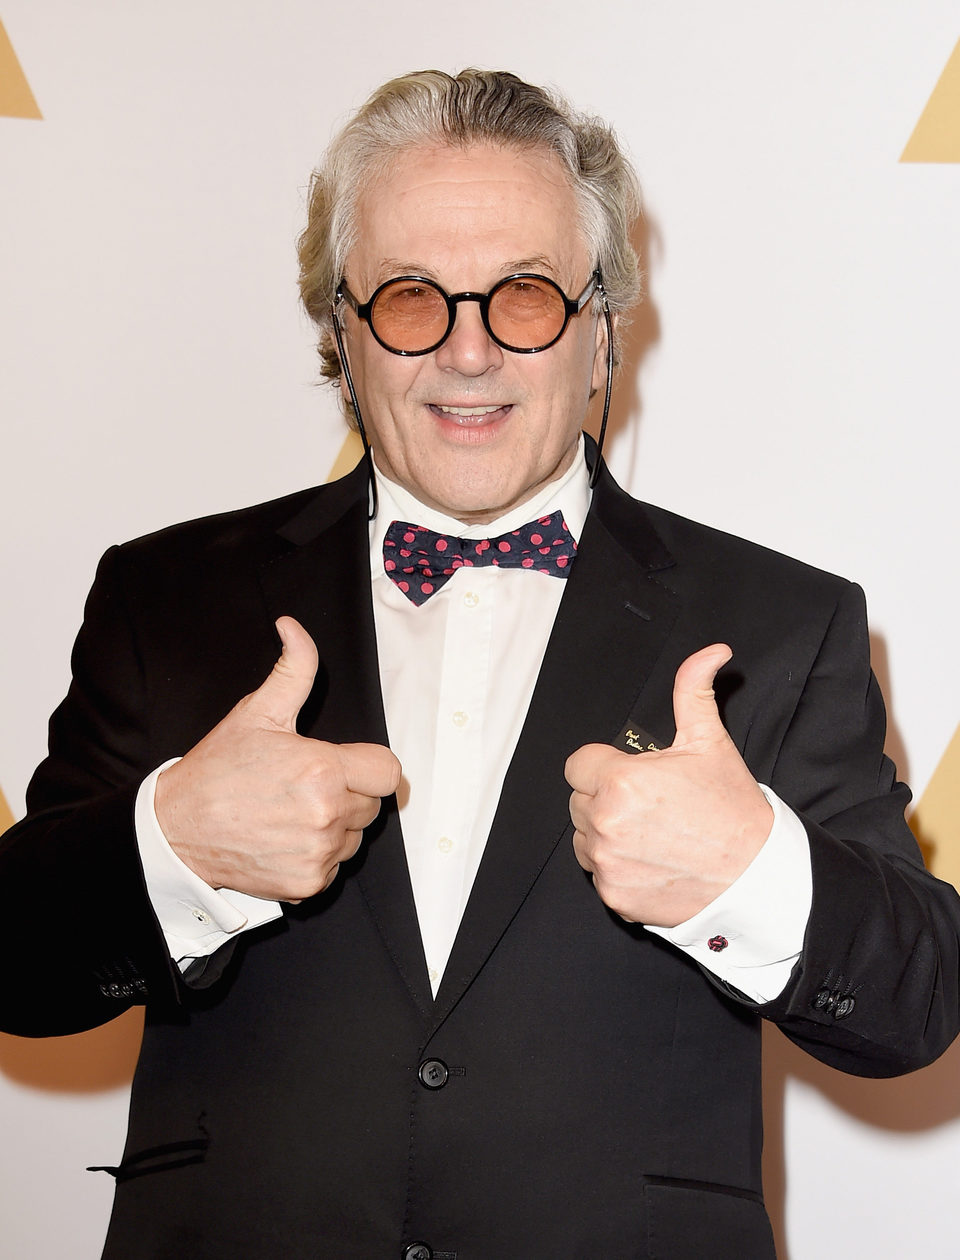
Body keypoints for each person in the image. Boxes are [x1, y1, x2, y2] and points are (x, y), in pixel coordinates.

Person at [2, 68, 959, 1260]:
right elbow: (15, 969)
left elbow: (920, 1003)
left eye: (523, 294)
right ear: (339, 332)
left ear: (602, 321)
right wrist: (172, 847)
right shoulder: (166, 594)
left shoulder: (781, 620)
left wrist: (753, 870)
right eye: (410, 298)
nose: (467, 351)